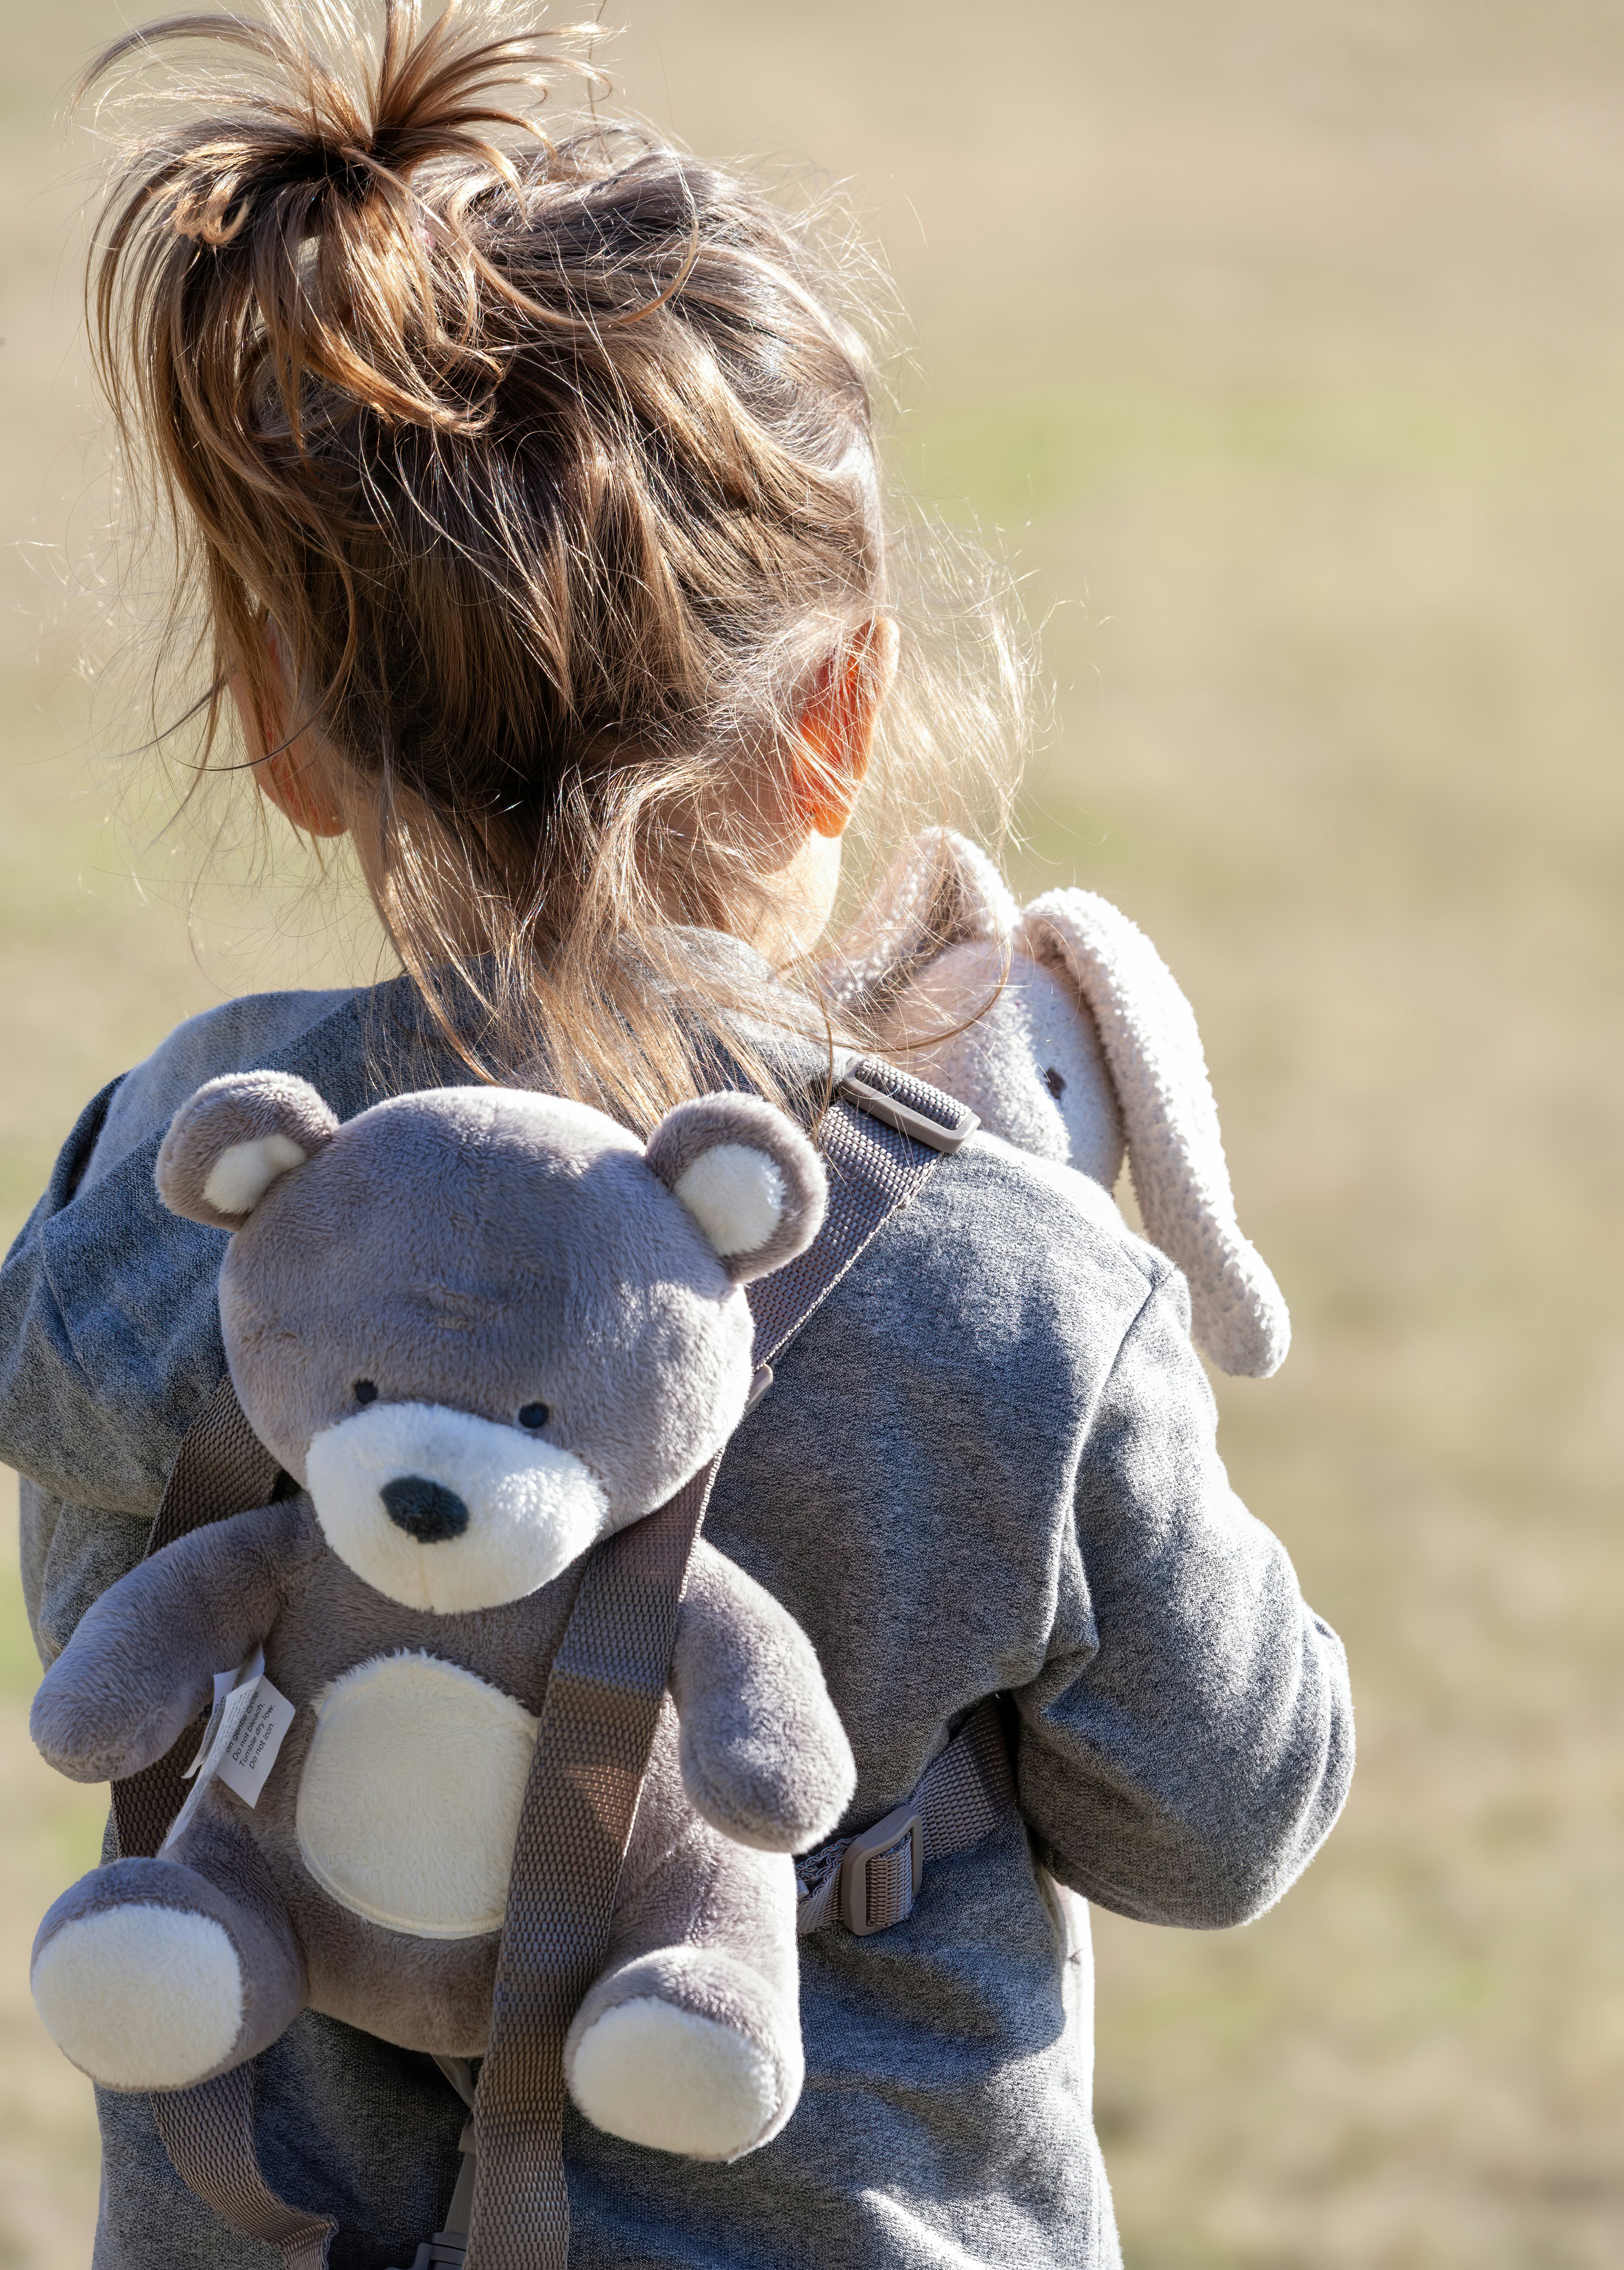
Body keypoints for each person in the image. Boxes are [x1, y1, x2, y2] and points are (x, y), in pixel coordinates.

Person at [0, 5, 1352, 2263]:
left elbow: (102, 1661)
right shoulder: (1005, 1274)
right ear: (838, 711)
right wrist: (1072, 1290)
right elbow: (1226, 1821)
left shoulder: (185, 1172)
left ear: (284, 723)